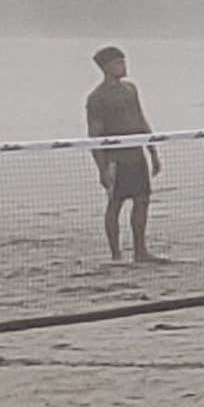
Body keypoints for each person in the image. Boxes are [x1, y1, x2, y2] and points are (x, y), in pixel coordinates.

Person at [85, 46, 161, 264]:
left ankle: (141, 251)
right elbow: (94, 135)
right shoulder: (97, 98)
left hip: (137, 154)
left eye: (123, 62)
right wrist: (102, 169)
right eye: (118, 63)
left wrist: (153, 151)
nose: (123, 66)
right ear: (106, 67)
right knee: (115, 203)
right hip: (116, 158)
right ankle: (116, 254)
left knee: (142, 200)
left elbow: (140, 119)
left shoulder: (130, 89)